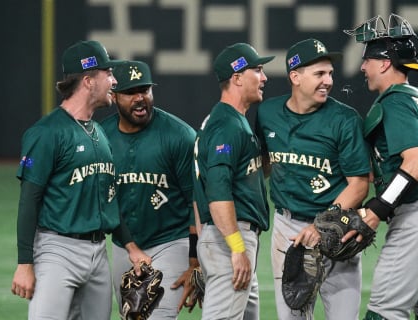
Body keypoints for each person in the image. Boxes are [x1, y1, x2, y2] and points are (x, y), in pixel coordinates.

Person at [344, 14, 418, 320]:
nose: (362, 68)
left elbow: (417, 162)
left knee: (383, 314)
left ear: (384, 63)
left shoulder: (396, 101)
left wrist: (378, 208)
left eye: (367, 60)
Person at [255, 38, 371, 320]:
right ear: (295, 76)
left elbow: (359, 183)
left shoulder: (344, 119)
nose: (328, 81)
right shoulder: (267, 113)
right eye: (319, 73)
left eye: (330, 73)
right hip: (287, 228)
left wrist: (323, 224)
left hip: (335, 228)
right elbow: (264, 163)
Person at [11, 40, 121, 319]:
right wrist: (25, 262)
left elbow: (109, 201)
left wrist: (132, 247)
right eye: (107, 74)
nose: (114, 81)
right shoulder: (47, 132)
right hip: (57, 250)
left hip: (98, 253)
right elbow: (29, 200)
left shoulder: (98, 132)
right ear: (88, 80)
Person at [100, 60, 199, 318]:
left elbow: (195, 201)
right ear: (113, 96)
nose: (140, 98)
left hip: (171, 242)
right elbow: (103, 200)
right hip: (124, 245)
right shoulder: (101, 137)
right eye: (131, 92)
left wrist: (194, 261)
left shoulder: (179, 136)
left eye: (145, 90)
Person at [192, 43, 274, 320]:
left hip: (229, 236)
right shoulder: (225, 125)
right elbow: (216, 191)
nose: (264, 78)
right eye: (258, 70)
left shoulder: (234, 121)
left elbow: (235, 179)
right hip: (230, 238)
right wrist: (236, 248)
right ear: (237, 77)